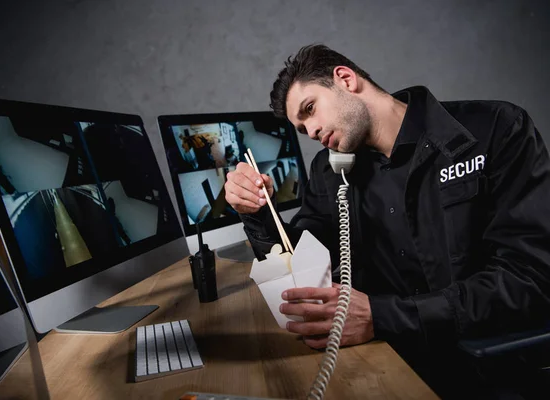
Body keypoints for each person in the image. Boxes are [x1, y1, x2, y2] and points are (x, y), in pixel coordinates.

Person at [224, 44, 550, 398]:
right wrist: (255, 210)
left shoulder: (496, 129)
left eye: (310, 109)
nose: (313, 131)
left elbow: (532, 276)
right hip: (382, 364)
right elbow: (305, 260)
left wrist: (383, 316)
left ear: (345, 79)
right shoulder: (329, 171)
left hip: (481, 367)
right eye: (303, 129)